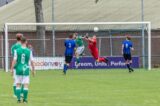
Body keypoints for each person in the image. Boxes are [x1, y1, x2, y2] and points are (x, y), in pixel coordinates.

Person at [11, 37, 35, 103]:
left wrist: (12, 69)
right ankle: (25, 100)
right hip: (26, 70)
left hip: (18, 69)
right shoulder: (29, 51)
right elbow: (32, 61)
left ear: (21, 42)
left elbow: (14, 60)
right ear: (26, 42)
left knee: (18, 84)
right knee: (26, 85)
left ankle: (18, 100)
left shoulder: (17, 50)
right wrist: (33, 70)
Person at [11, 33, 23, 98]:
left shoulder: (13, 47)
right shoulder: (23, 46)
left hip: (16, 65)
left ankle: (15, 94)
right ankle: (21, 93)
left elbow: (14, 57)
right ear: (21, 38)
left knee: (15, 80)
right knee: (23, 80)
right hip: (23, 65)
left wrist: (12, 68)